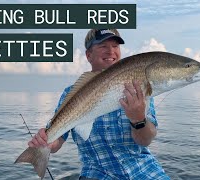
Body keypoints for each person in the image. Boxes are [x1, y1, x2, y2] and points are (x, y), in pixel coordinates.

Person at [28, 29, 170, 179]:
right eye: (103, 46)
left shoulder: (138, 87)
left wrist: (138, 120)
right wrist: (47, 143)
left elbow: (145, 140)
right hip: (97, 174)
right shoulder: (71, 94)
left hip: (145, 171)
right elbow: (58, 139)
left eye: (115, 46)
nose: (111, 51)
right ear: (89, 55)